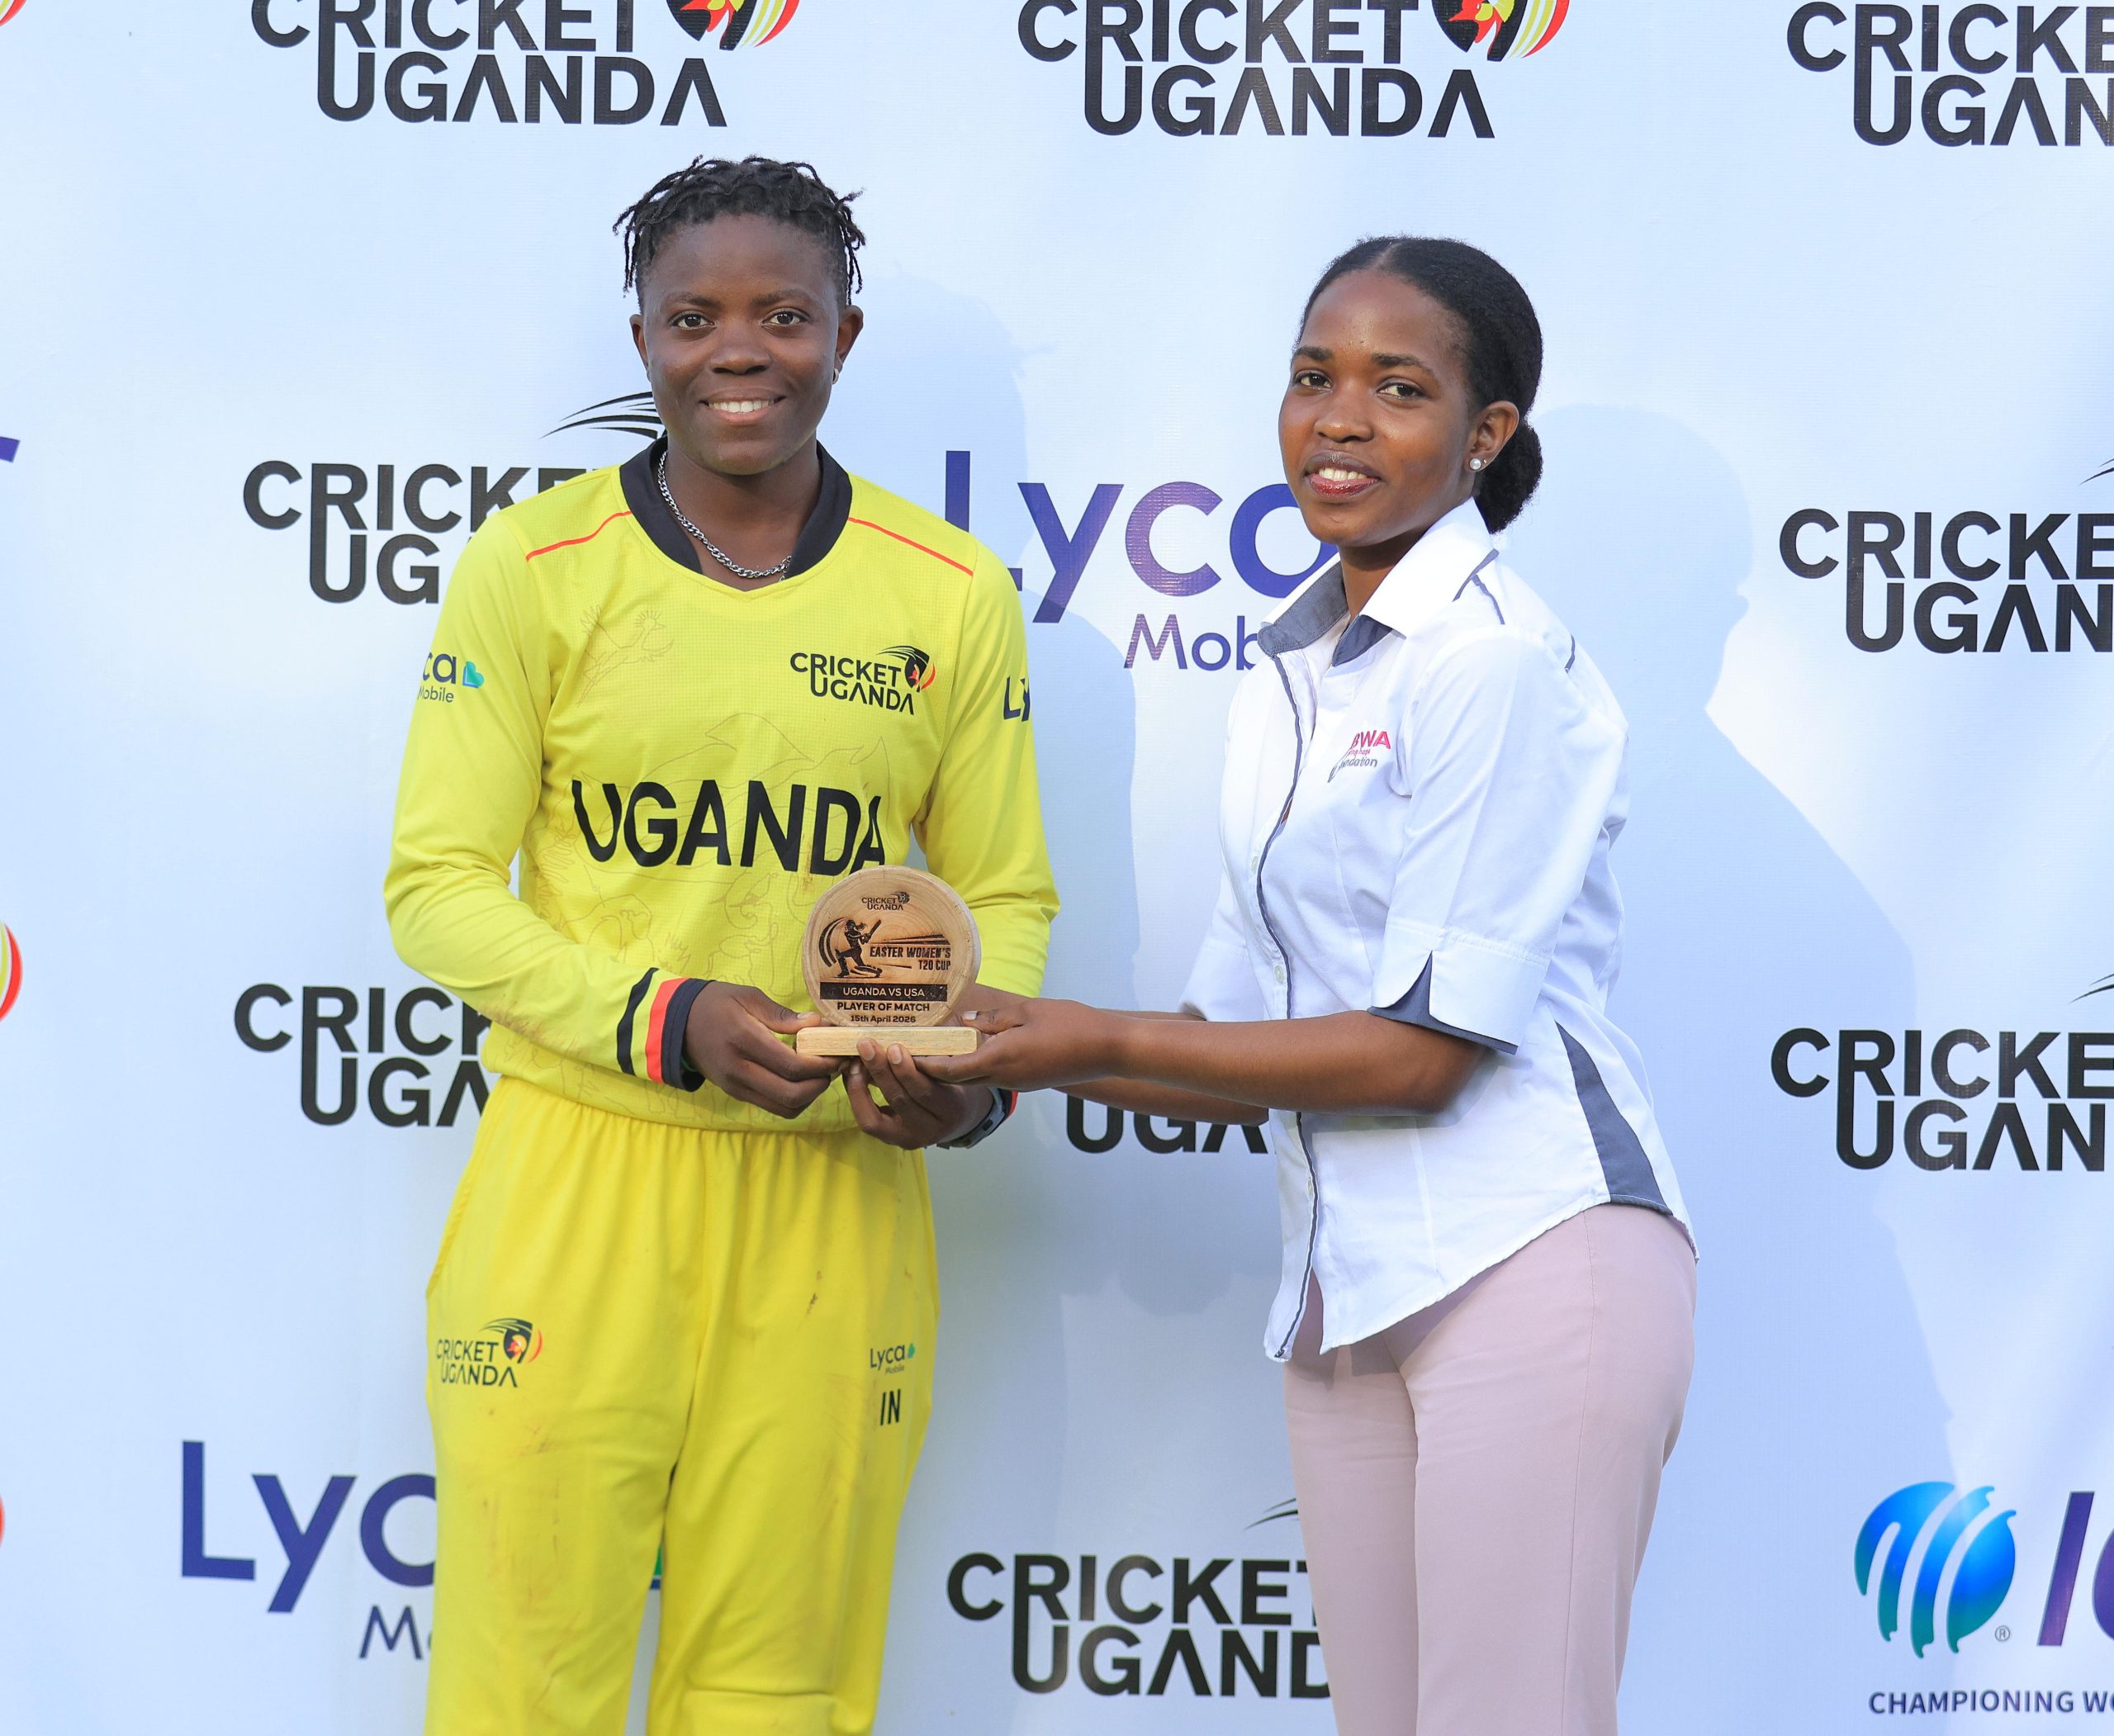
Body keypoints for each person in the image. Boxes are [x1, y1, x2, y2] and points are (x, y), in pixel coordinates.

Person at [929, 237, 1695, 1735]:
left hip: (1529, 1254)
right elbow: (1226, 1044)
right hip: (1349, 1295)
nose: (1339, 419)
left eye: (1399, 388)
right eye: (1312, 377)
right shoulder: (1291, 672)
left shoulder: (1491, 662)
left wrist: (1073, 1032)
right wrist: (997, 1048)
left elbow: (1424, 1053)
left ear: (1487, 433)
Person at [385, 155, 1056, 1736]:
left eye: (783, 316)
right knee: (520, 1682)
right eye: (694, 318)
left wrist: (964, 1070)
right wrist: (665, 1013)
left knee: (780, 1689)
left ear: (845, 335)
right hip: (579, 1173)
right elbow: (435, 886)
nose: (737, 351)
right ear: (643, 339)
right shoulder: (533, 566)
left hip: (834, 1185)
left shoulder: (951, 590)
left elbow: (1004, 892)